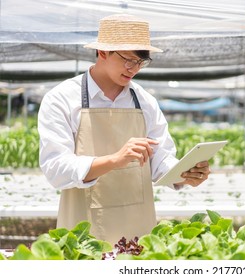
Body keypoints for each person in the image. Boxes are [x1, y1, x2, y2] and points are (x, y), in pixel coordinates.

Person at [37, 14, 210, 245]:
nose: (133, 69)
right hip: (84, 232)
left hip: (138, 227)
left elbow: (159, 158)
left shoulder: (144, 101)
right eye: (128, 60)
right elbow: (55, 168)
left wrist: (183, 175)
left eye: (140, 62)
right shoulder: (61, 99)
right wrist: (115, 159)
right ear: (102, 52)